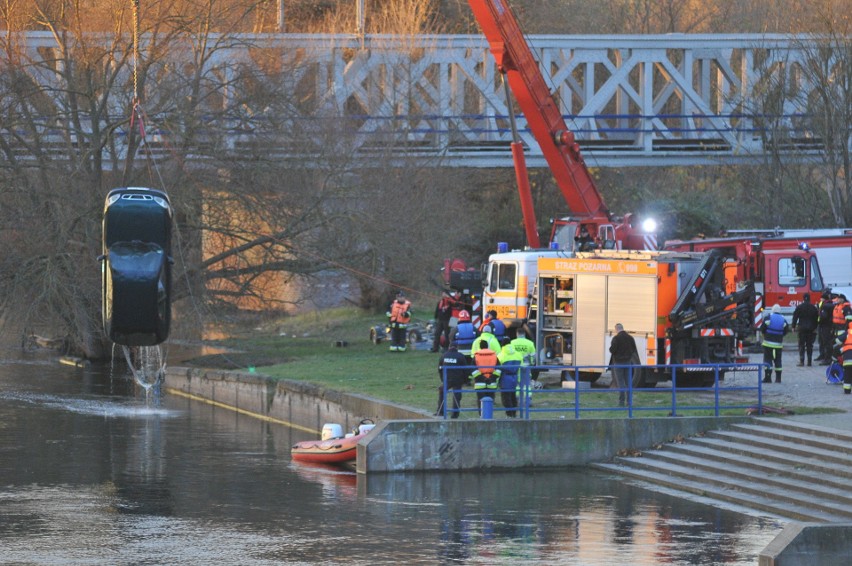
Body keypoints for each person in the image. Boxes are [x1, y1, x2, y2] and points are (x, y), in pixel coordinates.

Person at [436, 341, 470, 418]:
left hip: (447, 379)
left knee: (442, 392)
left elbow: (440, 369)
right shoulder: (460, 356)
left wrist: (443, 379)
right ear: (457, 347)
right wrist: (466, 380)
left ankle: (440, 411)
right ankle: (455, 414)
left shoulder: (444, 356)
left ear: (449, 347)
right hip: (458, 380)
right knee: (457, 396)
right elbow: (465, 370)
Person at [609, 323, 637, 407]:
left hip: (618, 363)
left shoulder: (616, 338)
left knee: (620, 382)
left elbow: (612, 350)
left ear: (616, 329)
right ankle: (629, 402)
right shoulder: (630, 338)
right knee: (628, 382)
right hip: (628, 362)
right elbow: (634, 349)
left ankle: (621, 401)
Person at [470, 339, 500, 416]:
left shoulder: (476, 356)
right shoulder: (494, 356)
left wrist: (482, 378)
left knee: (480, 401)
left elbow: (473, 370)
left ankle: (481, 416)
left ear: (480, 347)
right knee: (490, 400)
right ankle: (489, 416)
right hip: (491, 382)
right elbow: (499, 369)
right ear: (488, 346)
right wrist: (492, 378)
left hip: (480, 382)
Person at [761, 304, 789, 383]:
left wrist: (765, 334)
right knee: (778, 360)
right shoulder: (783, 319)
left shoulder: (769, 317)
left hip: (768, 343)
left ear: (772, 310)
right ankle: (778, 379)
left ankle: (768, 378)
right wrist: (780, 335)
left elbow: (762, 328)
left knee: (767, 360)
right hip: (778, 344)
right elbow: (786, 330)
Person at [791, 293, 819, 366]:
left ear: (803, 298)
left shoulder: (799, 307)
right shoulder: (813, 308)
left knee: (801, 345)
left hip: (802, 329)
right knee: (810, 345)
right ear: (810, 299)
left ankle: (802, 361)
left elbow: (795, 317)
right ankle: (809, 362)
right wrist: (815, 327)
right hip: (811, 329)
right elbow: (816, 319)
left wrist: (793, 326)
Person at [497, 342, 523, 417]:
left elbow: (498, 369)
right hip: (514, 378)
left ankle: (509, 414)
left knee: (506, 397)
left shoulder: (500, 355)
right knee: (513, 396)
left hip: (505, 378)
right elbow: (521, 368)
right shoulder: (518, 354)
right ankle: (514, 413)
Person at [816, 291, 835, 364]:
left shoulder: (825, 306)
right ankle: (826, 357)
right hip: (830, 325)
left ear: (824, 299)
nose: (820, 299)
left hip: (825, 326)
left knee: (826, 342)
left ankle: (827, 359)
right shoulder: (832, 304)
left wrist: (819, 318)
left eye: (821, 298)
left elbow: (823, 316)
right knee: (827, 342)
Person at [837, 320, 852, 395]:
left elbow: (838, 340)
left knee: (847, 375)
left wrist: (842, 347)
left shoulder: (847, 333)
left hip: (848, 360)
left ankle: (847, 390)